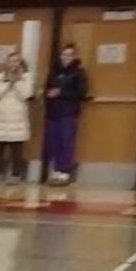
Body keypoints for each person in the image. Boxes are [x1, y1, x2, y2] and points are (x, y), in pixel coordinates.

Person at [44, 43, 89, 185]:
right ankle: (57, 169)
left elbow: (81, 92)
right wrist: (49, 94)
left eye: (69, 55)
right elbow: (47, 88)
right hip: (53, 112)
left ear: (74, 57)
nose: (65, 58)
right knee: (55, 142)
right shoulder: (54, 71)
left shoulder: (79, 72)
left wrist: (61, 92)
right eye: (64, 55)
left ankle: (65, 171)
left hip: (68, 112)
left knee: (66, 142)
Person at [0, 51, 33, 186]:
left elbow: (26, 94)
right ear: (6, 64)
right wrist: (7, 83)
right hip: (0, 119)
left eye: (16, 61)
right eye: (11, 61)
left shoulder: (26, 77)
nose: (13, 64)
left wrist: (17, 81)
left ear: (20, 63)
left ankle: (15, 175)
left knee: (16, 149)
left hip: (17, 118)